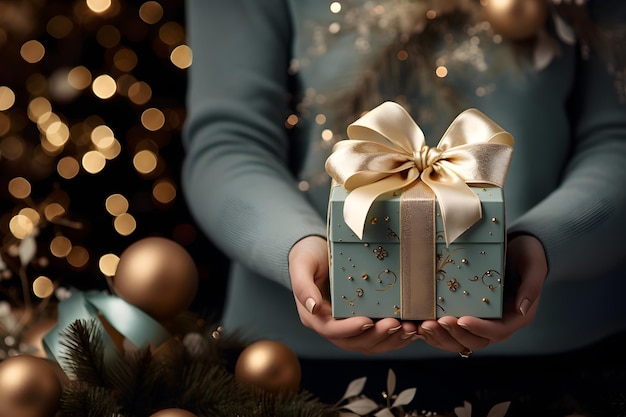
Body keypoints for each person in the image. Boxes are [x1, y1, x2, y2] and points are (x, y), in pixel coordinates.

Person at [181, 0, 626, 405]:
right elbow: (229, 142)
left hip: (565, 355)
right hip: (286, 364)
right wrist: (296, 246)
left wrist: (544, 242)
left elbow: (616, 141)